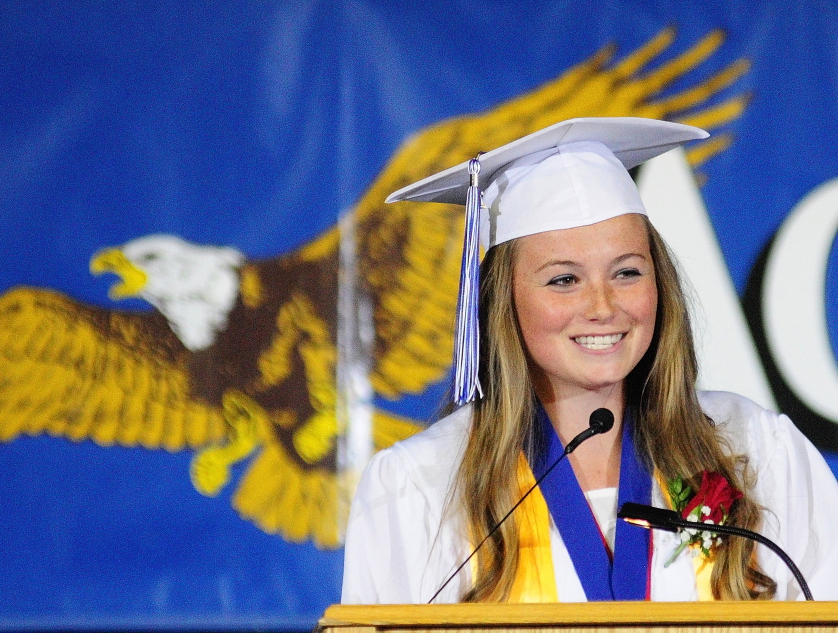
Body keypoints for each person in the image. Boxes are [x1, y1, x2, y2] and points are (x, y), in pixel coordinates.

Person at [341, 117, 838, 604]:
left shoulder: (754, 450)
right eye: (564, 279)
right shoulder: (422, 486)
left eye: (626, 272)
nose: (603, 307)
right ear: (502, 301)